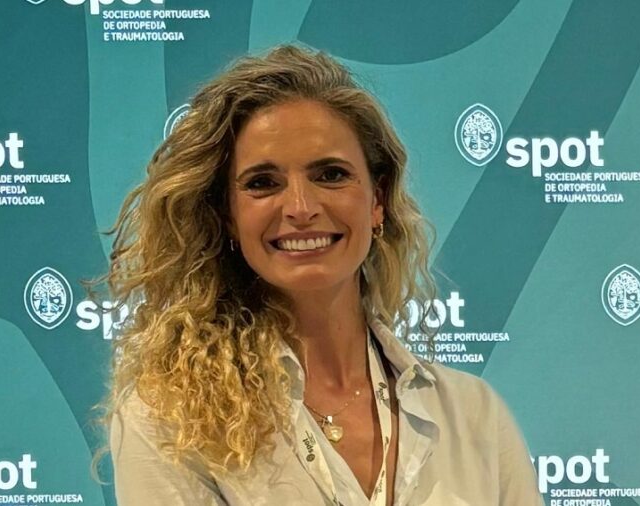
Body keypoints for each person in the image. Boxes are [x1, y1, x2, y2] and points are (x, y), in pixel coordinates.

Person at [101, 44, 543, 505]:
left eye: (330, 175)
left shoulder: (474, 417)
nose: (300, 208)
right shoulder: (170, 419)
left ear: (377, 200)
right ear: (228, 216)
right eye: (262, 183)